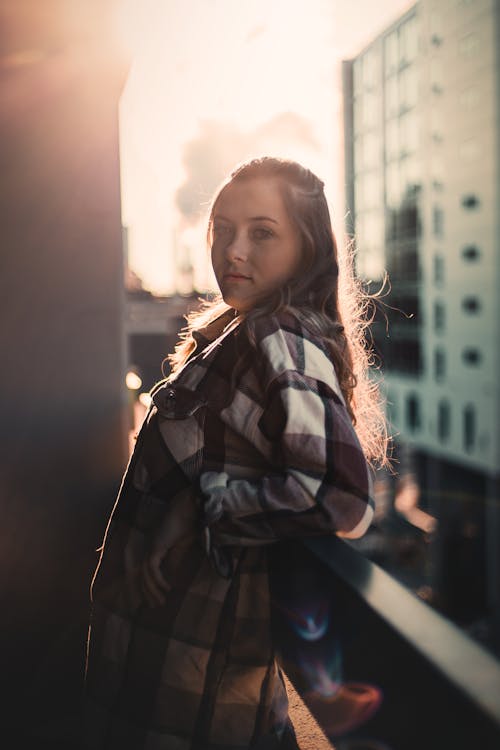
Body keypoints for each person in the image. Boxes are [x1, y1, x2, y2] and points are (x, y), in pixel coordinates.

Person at [83, 156, 388, 749]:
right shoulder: (239, 330)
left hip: (199, 684)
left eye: (262, 232)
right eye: (222, 229)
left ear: (308, 248)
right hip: (166, 652)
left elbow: (339, 496)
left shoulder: (278, 338)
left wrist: (205, 508)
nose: (232, 250)